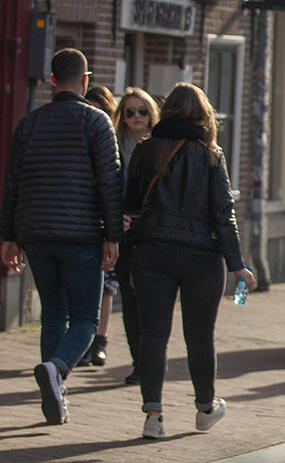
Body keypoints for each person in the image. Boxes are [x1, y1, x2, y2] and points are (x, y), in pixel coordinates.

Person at [123, 82, 253, 439]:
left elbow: (131, 203)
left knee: (152, 334)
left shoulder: (145, 151)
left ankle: (153, 415)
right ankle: (205, 408)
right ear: (203, 115)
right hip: (200, 257)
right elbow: (223, 213)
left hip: (151, 252)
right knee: (199, 337)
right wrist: (237, 264)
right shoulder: (211, 155)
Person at [0, 48, 122, 425]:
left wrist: (9, 236)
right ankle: (58, 369)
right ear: (85, 81)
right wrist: (112, 234)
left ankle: (54, 395)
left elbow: (12, 182)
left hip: (36, 233)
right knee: (85, 318)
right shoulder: (97, 122)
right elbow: (110, 183)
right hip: (82, 234)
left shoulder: (29, 124)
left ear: (52, 81)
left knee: (53, 313)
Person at [110, 87, 162, 384]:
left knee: (150, 300)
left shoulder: (160, 147)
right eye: (130, 112)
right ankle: (138, 364)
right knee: (129, 299)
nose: (137, 117)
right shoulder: (114, 146)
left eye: (142, 110)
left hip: (152, 233)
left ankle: (151, 362)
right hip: (125, 233)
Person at [80, 86, 117, 369]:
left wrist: (115, 231)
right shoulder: (78, 140)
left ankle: (99, 342)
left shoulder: (113, 141)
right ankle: (80, 343)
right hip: (82, 223)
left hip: (106, 225)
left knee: (106, 288)